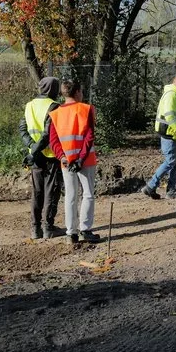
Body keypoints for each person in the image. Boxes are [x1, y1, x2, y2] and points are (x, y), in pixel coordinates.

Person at [48, 80, 101, 244]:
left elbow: (53, 141)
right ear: (77, 92)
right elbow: (89, 136)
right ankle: (85, 230)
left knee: (70, 195)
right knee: (88, 194)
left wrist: (63, 157)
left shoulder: (55, 113)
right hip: (85, 160)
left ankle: (71, 233)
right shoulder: (87, 109)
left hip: (66, 162)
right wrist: (80, 158)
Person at [20, 77, 63, 240]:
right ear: (53, 89)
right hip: (51, 155)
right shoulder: (54, 106)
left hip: (36, 157)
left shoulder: (29, 105)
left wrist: (32, 149)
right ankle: (48, 227)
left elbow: (22, 129)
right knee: (51, 191)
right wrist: (35, 151)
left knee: (37, 191)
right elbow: (47, 135)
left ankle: (35, 229)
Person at [142, 74, 176, 200]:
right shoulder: (172, 95)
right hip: (170, 133)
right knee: (170, 162)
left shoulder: (175, 94)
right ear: (175, 82)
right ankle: (151, 186)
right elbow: (169, 116)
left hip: (173, 133)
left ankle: (171, 190)